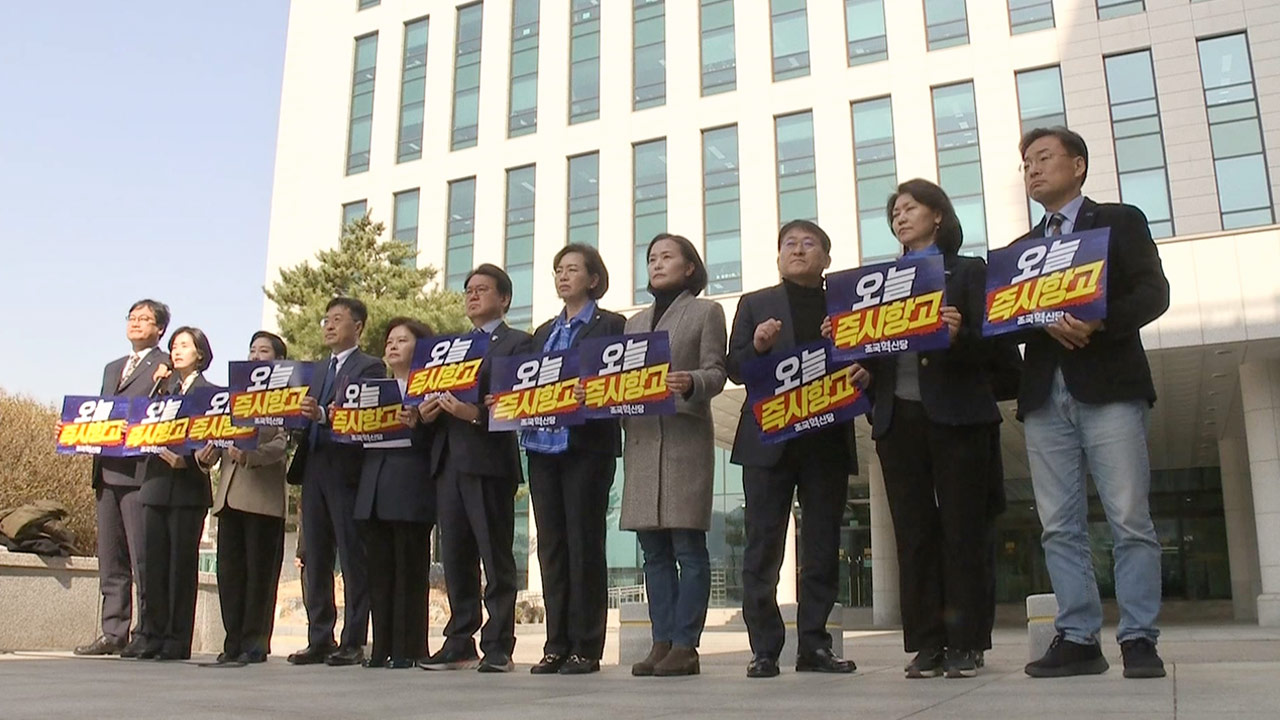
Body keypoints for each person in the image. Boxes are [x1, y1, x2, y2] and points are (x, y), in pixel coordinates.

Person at [1016, 126, 1170, 680]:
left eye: (1043, 158)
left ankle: (1138, 639)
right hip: (1043, 394)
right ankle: (1078, 637)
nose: (1032, 169)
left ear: (1078, 165)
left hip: (1109, 383)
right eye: (1026, 163)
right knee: (1058, 523)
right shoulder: (1021, 251)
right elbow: (1003, 321)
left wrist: (1101, 320)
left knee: (1129, 517)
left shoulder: (1121, 221)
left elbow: (1154, 293)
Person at [851, 179, 1006, 680]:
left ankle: (967, 641)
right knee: (913, 535)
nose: (899, 216)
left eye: (909, 207)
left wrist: (961, 335)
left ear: (938, 215)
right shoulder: (876, 284)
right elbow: (874, 354)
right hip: (899, 418)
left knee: (964, 530)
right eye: (894, 211)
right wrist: (857, 358)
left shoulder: (969, 272)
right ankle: (927, 643)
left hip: (959, 413)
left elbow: (998, 348)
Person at [727, 220, 865, 679]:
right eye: (790, 244)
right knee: (762, 548)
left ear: (827, 257)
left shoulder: (846, 298)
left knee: (823, 546)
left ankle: (815, 645)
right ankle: (764, 648)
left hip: (825, 439)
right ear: (779, 256)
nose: (798, 250)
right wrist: (760, 345)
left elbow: (871, 355)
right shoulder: (755, 303)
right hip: (768, 440)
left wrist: (862, 369)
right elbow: (736, 369)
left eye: (810, 244)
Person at [621, 233, 727, 678]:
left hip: (684, 439)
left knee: (688, 546)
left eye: (667, 256)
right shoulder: (633, 323)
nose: (657, 263)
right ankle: (661, 640)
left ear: (689, 267)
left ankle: (686, 644)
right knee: (654, 552)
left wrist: (691, 384)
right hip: (644, 443)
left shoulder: (706, 312)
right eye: (651, 257)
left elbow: (717, 372)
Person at [419, 264, 532, 674]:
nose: (472, 296)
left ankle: (499, 642)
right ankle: (459, 639)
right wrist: (426, 411)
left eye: (482, 290)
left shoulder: (519, 343)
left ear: (503, 299)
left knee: (495, 556)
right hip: (447, 460)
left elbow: (520, 401)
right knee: (455, 556)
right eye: (468, 290)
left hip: (489, 460)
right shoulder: (449, 348)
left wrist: (473, 414)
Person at [523, 244, 626, 676]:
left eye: (572, 270)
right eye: (557, 270)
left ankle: (586, 645)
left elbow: (624, 381)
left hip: (587, 446)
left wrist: (596, 390)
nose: (563, 277)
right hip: (541, 446)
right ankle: (555, 644)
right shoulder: (542, 331)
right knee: (552, 547)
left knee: (584, 545)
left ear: (594, 278)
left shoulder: (613, 325)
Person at [287, 297, 386, 667]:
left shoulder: (370, 367)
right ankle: (319, 637)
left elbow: (367, 414)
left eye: (338, 319)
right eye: (326, 319)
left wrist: (325, 413)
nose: (329, 326)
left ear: (357, 327)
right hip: (313, 468)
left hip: (348, 471)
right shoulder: (315, 370)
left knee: (352, 556)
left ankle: (353, 638)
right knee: (315, 556)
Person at [75, 299, 172, 657]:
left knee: (142, 556)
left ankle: (146, 630)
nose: (136, 323)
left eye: (145, 319)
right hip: (107, 471)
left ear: (159, 328)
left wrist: (166, 382)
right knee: (111, 557)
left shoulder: (165, 365)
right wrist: (75, 431)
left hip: (140, 473)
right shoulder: (112, 367)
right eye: (132, 317)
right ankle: (113, 630)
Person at [354, 318, 439, 669]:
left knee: (410, 572)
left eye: (402, 340)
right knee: (379, 574)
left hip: (411, 488)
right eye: (389, 341)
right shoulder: (372, 390)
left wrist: (419, 422)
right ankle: (381, 647)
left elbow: (436, 443)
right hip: (373, 489)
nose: (392, 346)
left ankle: (409, 647)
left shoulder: (429, 392)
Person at [205, 331, 290, 665]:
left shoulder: (285, 397)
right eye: (252, 350)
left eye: (264, 351)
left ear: (279, 360)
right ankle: (232, 642)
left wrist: (250, 455)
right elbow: (213, 434)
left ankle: (255, 642)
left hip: (262, 499)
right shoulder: (233, 397)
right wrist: (206, 453)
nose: (256, 356)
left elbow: (281, 444)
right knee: (230, 573)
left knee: (258, 574)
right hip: (228, 497)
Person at [138, 326, 216, 660]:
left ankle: (176, 637)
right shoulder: (161, 392)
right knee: (153, 563)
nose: (177, 350)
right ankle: (151, 634)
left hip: (188, 487)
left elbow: (214, 439)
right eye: (173, 345)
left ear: (200, 352)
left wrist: (188, 461)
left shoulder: (211, 392)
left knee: (180, 565)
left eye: (185, 345)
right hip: (155, 484)